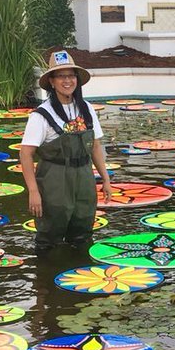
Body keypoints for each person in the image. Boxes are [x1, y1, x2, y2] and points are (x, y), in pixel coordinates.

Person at [19, 49, 111, 255]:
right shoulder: (42, 115)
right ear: (52, 81)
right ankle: (45, 280)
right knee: (50, 233)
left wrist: (105, 178)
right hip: (54, 178)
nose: (67, 80)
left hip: (84, 177)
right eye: (61, 76)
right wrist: (33, 191)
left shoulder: (86, 108)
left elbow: (94, 146)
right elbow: (25, 154)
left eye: (71, 75)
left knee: (83, 229)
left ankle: (80, 273)